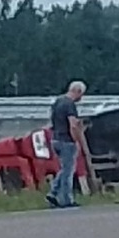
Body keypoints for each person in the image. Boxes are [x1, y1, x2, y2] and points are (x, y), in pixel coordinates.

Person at [46, 80, 87, 208]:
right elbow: (73, 125)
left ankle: (53, 193)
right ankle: (66, 199)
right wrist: (77, 141)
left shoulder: (57, 102)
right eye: (82, 94)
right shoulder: (70, 105)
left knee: (64, 169)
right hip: (66, 140)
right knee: (68, 171)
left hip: (55, 139)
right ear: (78, 91)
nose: (81, 98)